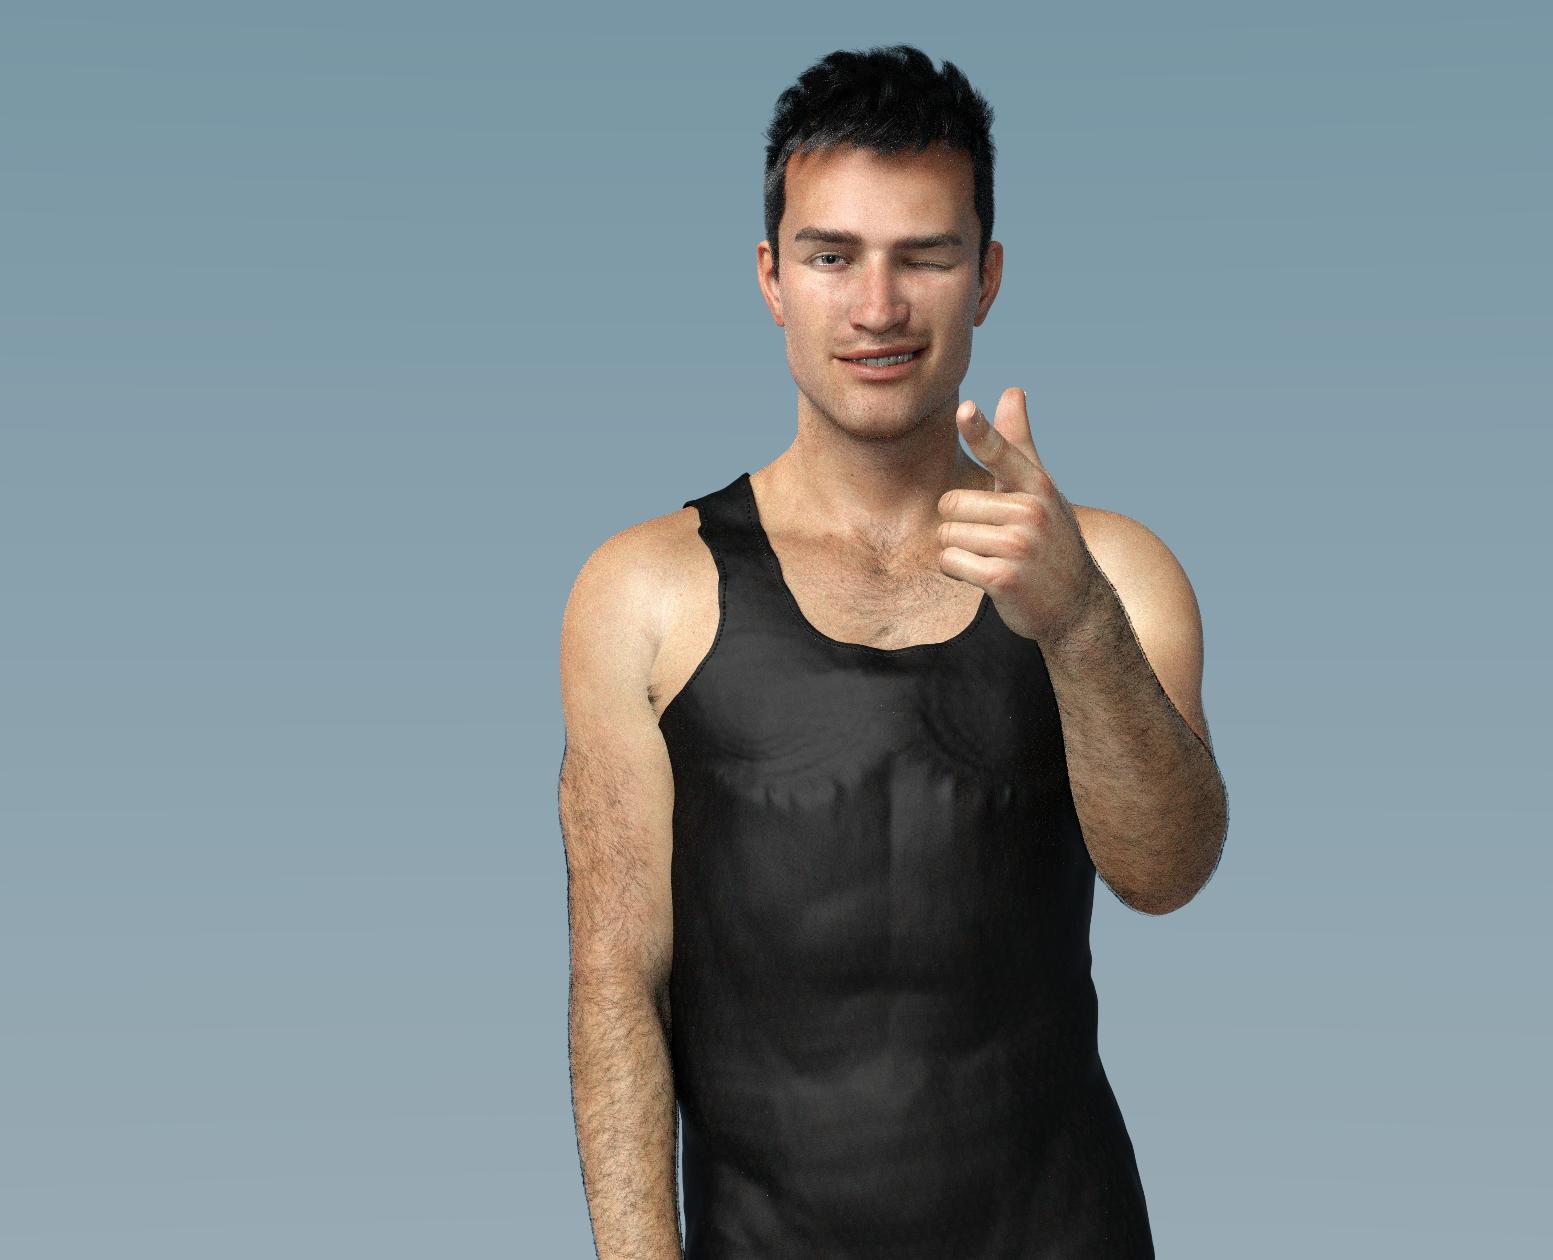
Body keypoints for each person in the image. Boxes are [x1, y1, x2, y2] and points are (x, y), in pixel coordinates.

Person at [559, 43, 1228, 1259]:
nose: (877, 308)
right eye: (832, 256)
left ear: (985, 277)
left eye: (923, 256)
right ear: (770, 276)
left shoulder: (1111, 572)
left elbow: (1165, 873)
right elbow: (617, 983)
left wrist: (1074, 623)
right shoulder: (645, 591)